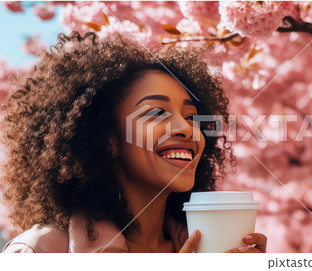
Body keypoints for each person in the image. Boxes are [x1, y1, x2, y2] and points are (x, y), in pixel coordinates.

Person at [0, 32, 267, 253]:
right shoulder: (40, 252)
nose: (186, 128)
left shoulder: (210, 249)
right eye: (156, 113)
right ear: (107, 138)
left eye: (190, 116)